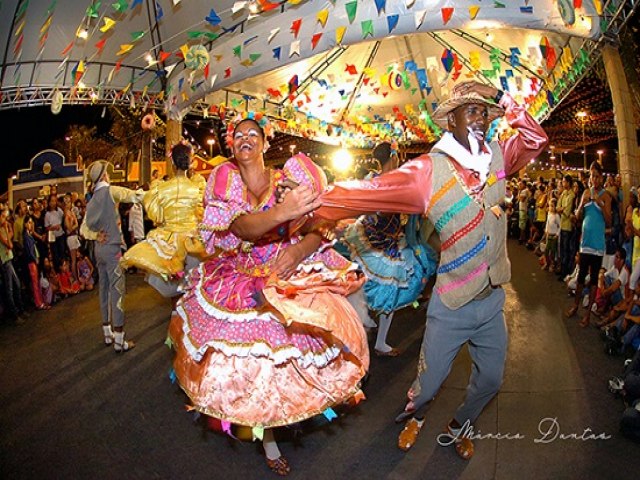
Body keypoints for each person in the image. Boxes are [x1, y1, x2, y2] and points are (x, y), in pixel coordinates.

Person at [313, 80, 548, 459]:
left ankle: (460, 425)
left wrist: (502, 98)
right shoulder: (427, 170)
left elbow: (536, 139)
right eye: (471, 112)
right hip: (451, 302)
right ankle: (417, 417)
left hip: (491, 301)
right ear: (449, 120)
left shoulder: (499, 157)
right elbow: (369, 191)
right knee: (428, 385)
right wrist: (312, 202)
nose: (480, 120)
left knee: (491, 380)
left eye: (485, 113)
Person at [167, 112, 369, 476]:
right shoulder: (224, 179)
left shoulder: (291, 177)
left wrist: (298, 251)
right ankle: (270, 440)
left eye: (252, 133)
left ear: (264, 141)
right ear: (232, 145)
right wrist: (281, 212)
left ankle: (281, 422)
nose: (244, 138)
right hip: (242, 280)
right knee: (251, 367)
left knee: (289, 364)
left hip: (286, 276)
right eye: (237, 135)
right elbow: (241, 228)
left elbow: (320, 225)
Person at [340, 141, 437, 356]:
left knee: (372, 289)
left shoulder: (373, 180)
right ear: (393, 157)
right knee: (387, 291)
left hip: (379, 237)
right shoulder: (392, 183)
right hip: (381, 243)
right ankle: (372, 340)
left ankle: (366, 331)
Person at [120, 143, 207, 303]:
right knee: (195, 286)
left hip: (169, 243)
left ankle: (176, 315)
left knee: (174, 284)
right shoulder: (198, 188)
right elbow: (203, 214)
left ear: (172, 163)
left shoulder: (161, 189)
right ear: (190, 162)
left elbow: (156, 216)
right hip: (194, 242)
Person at [84, 160, 143, 353]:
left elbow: (83, 228)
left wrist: (95, 235)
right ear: (103, 176)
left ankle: (107, 333)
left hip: (98, 249)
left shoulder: (92, 200)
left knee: (104, 289)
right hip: (112, 250)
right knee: (117, 290)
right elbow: (134, 196)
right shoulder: (110, 191)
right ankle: (119, 340)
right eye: (107, 173)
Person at [565, 161, 612, 327]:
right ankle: (575, 306)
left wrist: (600, 203)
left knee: (593, 281)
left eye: (598, 176)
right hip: (585, 243)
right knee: (579, 278)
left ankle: (587, 316)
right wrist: (582, 205)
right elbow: (577, 216)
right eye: (592, 176)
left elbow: (609, 221)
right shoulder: (585, 192)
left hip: (598, 245)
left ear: (602, 177)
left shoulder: (606, 195)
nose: (595, 179)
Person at [0, 204, 27, 324]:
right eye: (2, 216)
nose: (4, 218)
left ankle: (20, 310)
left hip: (9, 258)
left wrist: (7, 229)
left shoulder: (4, 227)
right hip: (4, 261)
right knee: (10, 288)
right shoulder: (1, 230)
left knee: (16, 284)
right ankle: (15, 315)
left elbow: (10, 235)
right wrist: (6, 229)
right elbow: (9, 244)